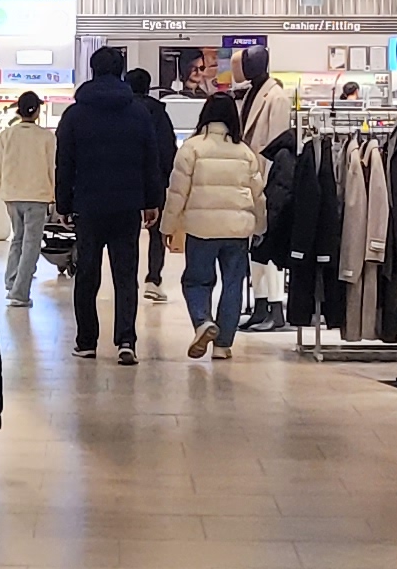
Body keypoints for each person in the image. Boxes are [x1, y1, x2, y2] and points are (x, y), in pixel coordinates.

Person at [53, 47, 172, 361]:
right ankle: (126, 341)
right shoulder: (138, 113)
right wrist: (152, 201)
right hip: (127, 206)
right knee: (125, 275)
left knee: (87, 275)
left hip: (88, 206)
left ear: (92, 70)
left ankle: (86, 341)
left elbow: (64, 163)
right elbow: (150, 160)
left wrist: (63, 204)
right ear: (121, 72)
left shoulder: (74, 115)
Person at [160, 92, 270, 361]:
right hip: (237, 230)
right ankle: (223, 345)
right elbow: (258, 195)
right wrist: (260, 227)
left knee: (197, 281)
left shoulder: (192, 148)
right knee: (233, 284)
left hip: (201, 229)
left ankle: (202, 321)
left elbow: (177, 193)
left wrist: (167, 226)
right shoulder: (245, 152)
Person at [0, 88, 56, 305]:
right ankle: (20, 293)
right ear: (36, 111)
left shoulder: (7, 135)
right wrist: (57, 197)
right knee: (31, 244)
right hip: (37, 196)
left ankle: (12, 280)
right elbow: (53, 168)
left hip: (12, 195)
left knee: (17, 238)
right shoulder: (46, 137)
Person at [125, 65, 175, 295]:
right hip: (155, 180)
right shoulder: (158, 113)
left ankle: (128, 279)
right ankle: (153, 279)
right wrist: (165, 177)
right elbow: (167, 149)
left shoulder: (123, 111)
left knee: (128, 233)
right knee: (157, 233)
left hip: (126, 182)